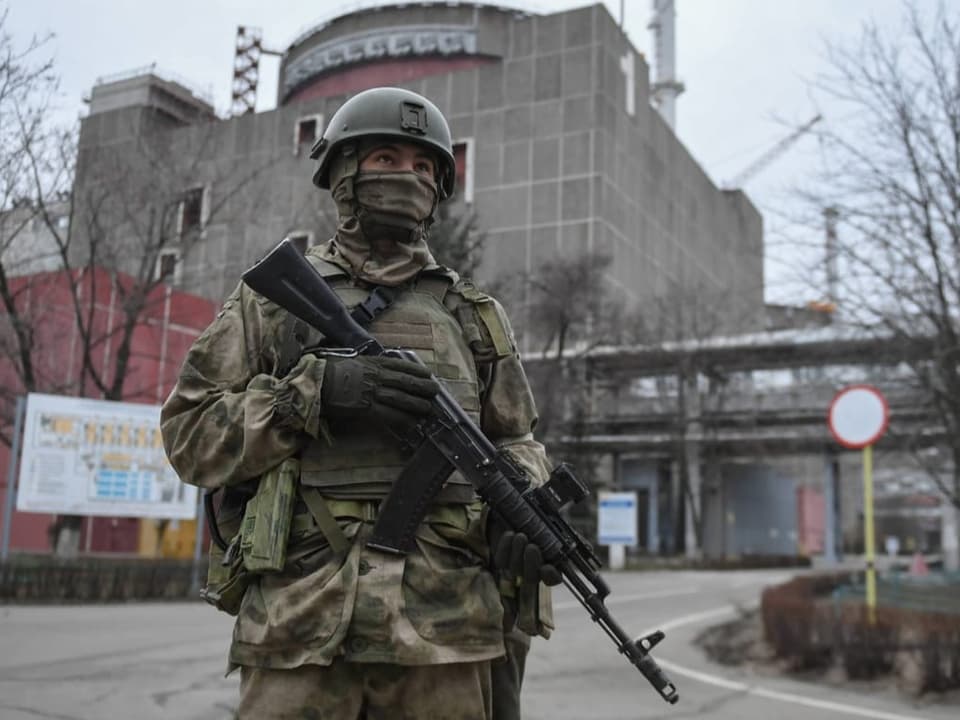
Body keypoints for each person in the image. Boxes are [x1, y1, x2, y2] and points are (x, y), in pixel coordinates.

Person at [161, 86, 558, 720]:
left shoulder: (475, 317)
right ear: (343, 173)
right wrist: (311, 396)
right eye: (386, 159)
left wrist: (523, 503)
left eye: (424, 166)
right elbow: (189, 434)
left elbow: (517, 440)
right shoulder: (272, 302)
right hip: (300, 626)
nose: (407, 176)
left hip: (447, 635)